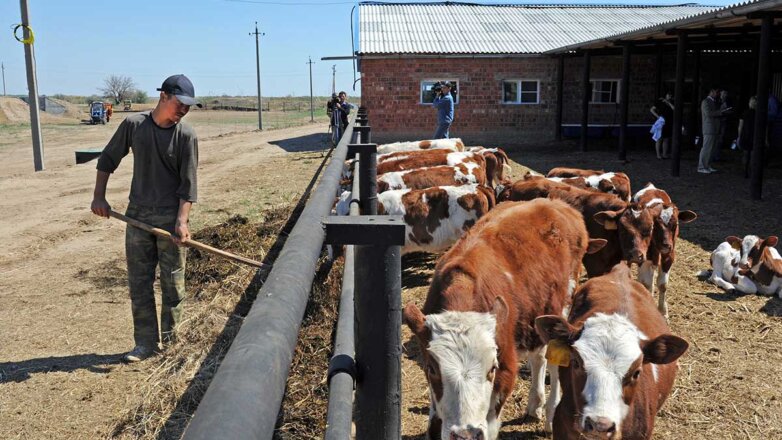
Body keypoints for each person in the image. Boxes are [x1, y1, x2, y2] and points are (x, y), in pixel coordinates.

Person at [91, 74, 200, 362]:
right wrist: (99, 196)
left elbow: (188, 185)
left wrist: (182, 221)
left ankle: (173, 344)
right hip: (137, 216)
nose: (183, 110)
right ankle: (145, 343)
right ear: (163, 96)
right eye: (180, 104)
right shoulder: (134, 125)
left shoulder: (185, 135)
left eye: (188, 106)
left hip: (170, 219)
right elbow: (107, 160)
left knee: (173, 284)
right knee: (139, 283)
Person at [699, 86, 727, 174]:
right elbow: (708, 113)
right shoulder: (705, 101)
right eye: (716, 92)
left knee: (712, 148)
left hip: (714, 127)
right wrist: (720, 112)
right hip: (709, 128)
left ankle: (707, 165)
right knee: (707, 148)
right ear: (712, 91)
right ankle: (701, 166)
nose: (717, 94)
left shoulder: (713, 101)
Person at [736, 96, 757, 178]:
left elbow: (740, 126)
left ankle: (745, 171)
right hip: (755, 136)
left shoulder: (745, 113)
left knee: (745, 154)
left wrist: (739, 136)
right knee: (753, 155)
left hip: (745, 135)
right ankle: (752, 172)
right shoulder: (759, 114)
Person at [650, 92, 674, 159]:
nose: (670, 96)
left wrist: (668, 102)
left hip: (669, 122)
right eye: (668, 95)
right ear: (666, 95)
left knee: (666, 139)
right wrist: (657, 117)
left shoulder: (672, 103)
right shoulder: (660, 102)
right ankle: (658, 155)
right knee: (659, 138)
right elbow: (652, 109)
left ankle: (664, 154)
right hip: (661, 121)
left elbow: (675, 109)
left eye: (671, 95)